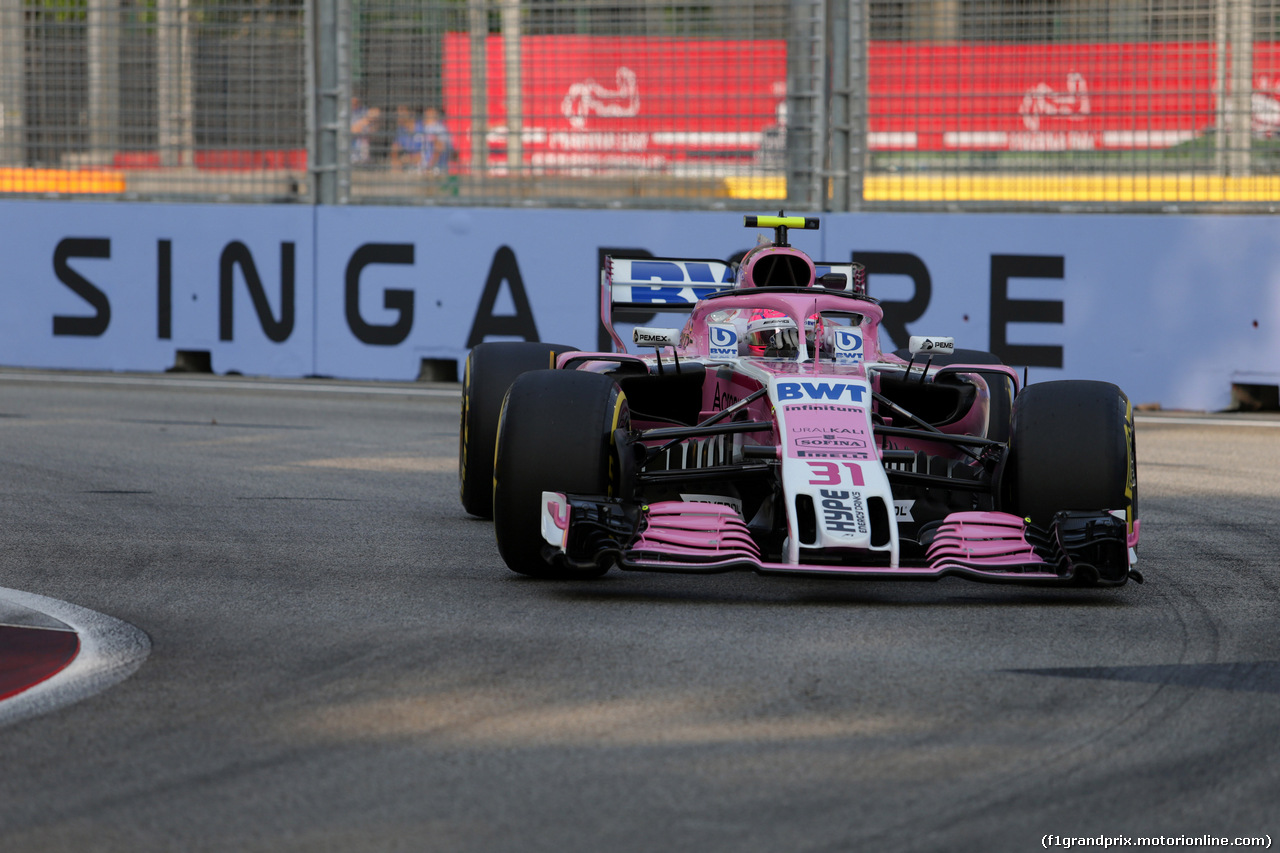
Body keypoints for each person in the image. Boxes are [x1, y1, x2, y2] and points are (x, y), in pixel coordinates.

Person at [419, 106, 454, 174]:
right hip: (426, 169)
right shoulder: (425, 128)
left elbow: (440, 147)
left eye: (429, 112)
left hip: (437, 170)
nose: (425, 114)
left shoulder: (439, 128)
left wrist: (429, 166)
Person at [390, 105, 425, 171]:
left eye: (401, 111)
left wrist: (408, 159)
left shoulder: (423, 127)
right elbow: (394, 149)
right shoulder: (400, 130)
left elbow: (426, 154)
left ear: (411, 113)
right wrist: (396, 160)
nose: (398, 114)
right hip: (410, 168)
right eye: (397, 111)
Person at [350, 97, 380, 165]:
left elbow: (376, 112)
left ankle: (362, 160)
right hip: (351, 146)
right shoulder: (343, 112)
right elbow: (353, 130)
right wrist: (366, 120)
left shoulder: (363, 110)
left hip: (362, 142)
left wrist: (371, 121)